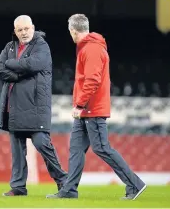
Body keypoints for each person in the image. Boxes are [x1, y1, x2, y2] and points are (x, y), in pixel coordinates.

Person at [50, 14, 146, 200]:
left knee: (102, 148)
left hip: (92, 109)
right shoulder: (89, 47)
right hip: (87, 110)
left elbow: (92, 80)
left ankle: (135, 184)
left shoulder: (92, 49)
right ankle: (69, 190)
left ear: (73, 31)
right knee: (76, 149)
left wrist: (79, 104)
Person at [0, 15, 67, 197]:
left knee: (42, 143)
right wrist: (17, 75)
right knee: (17, 151)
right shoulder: (9, 47)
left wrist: (11, 65)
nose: (24, 32)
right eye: (20, 30)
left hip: (36, 106)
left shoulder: (41, 45)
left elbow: (34, 64)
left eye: (26, 29)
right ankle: (18, 187)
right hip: (14, 106)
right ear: (15, 32)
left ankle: (63, 180)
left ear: (33, 28)